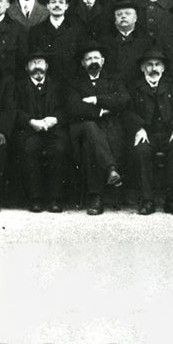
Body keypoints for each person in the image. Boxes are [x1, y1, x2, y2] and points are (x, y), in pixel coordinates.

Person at [126, 49, 173, 215]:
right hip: (147, 133)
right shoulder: (134, 87)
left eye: (157, 64)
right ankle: (147, 200)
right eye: (149, 65)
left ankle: (172, 200)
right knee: (141, 151)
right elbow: (128, 111)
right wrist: (139, 128)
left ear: (163, 68)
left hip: (169, 132)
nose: (153, 68)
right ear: (142, 68)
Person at [65, 42, 127, 215]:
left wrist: (96, 99)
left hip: (109, 128)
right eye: (88, 58)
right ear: (82, 63)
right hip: (81, 129)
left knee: (90, 147)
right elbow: (74, 107)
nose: (93, 61)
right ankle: (111, 169)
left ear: (103, 60)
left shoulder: (114, 79)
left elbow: (123, 99)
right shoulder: (75, 82)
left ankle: (96, 197)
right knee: (90, 128)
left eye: (96, 58)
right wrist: (102, 110)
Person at [15, 50, 69, 213]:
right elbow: (14, 110)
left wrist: (54, 119)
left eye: (40, 63)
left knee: (59, 149)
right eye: (33, 63)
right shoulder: (19, 87)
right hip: (29, 131)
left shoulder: (57, 86)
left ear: (47, 66)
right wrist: (30, 122)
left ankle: (55, 198)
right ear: (26, 67)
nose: (37, 66)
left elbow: (65, 109)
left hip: (54, 131)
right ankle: (35, 198)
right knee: (29, 148)